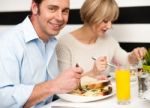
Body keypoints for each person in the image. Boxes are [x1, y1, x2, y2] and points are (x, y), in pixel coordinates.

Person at [0, 0, 83, 108]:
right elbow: (3, 99)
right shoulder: (8, 42)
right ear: (35, 8)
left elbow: (49, 97)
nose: (60, 18)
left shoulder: (52, 42)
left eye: (65, 11)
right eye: (52, 9)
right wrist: (54, 85)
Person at [56, 0, 147, 77]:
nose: (109, 26)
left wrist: (134, 56)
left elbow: (126, 61)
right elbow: (64, 85)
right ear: (90, 16)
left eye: (111, 21)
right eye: (105, 21)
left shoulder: (109, 41)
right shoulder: (65, 43)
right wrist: (93, 73)